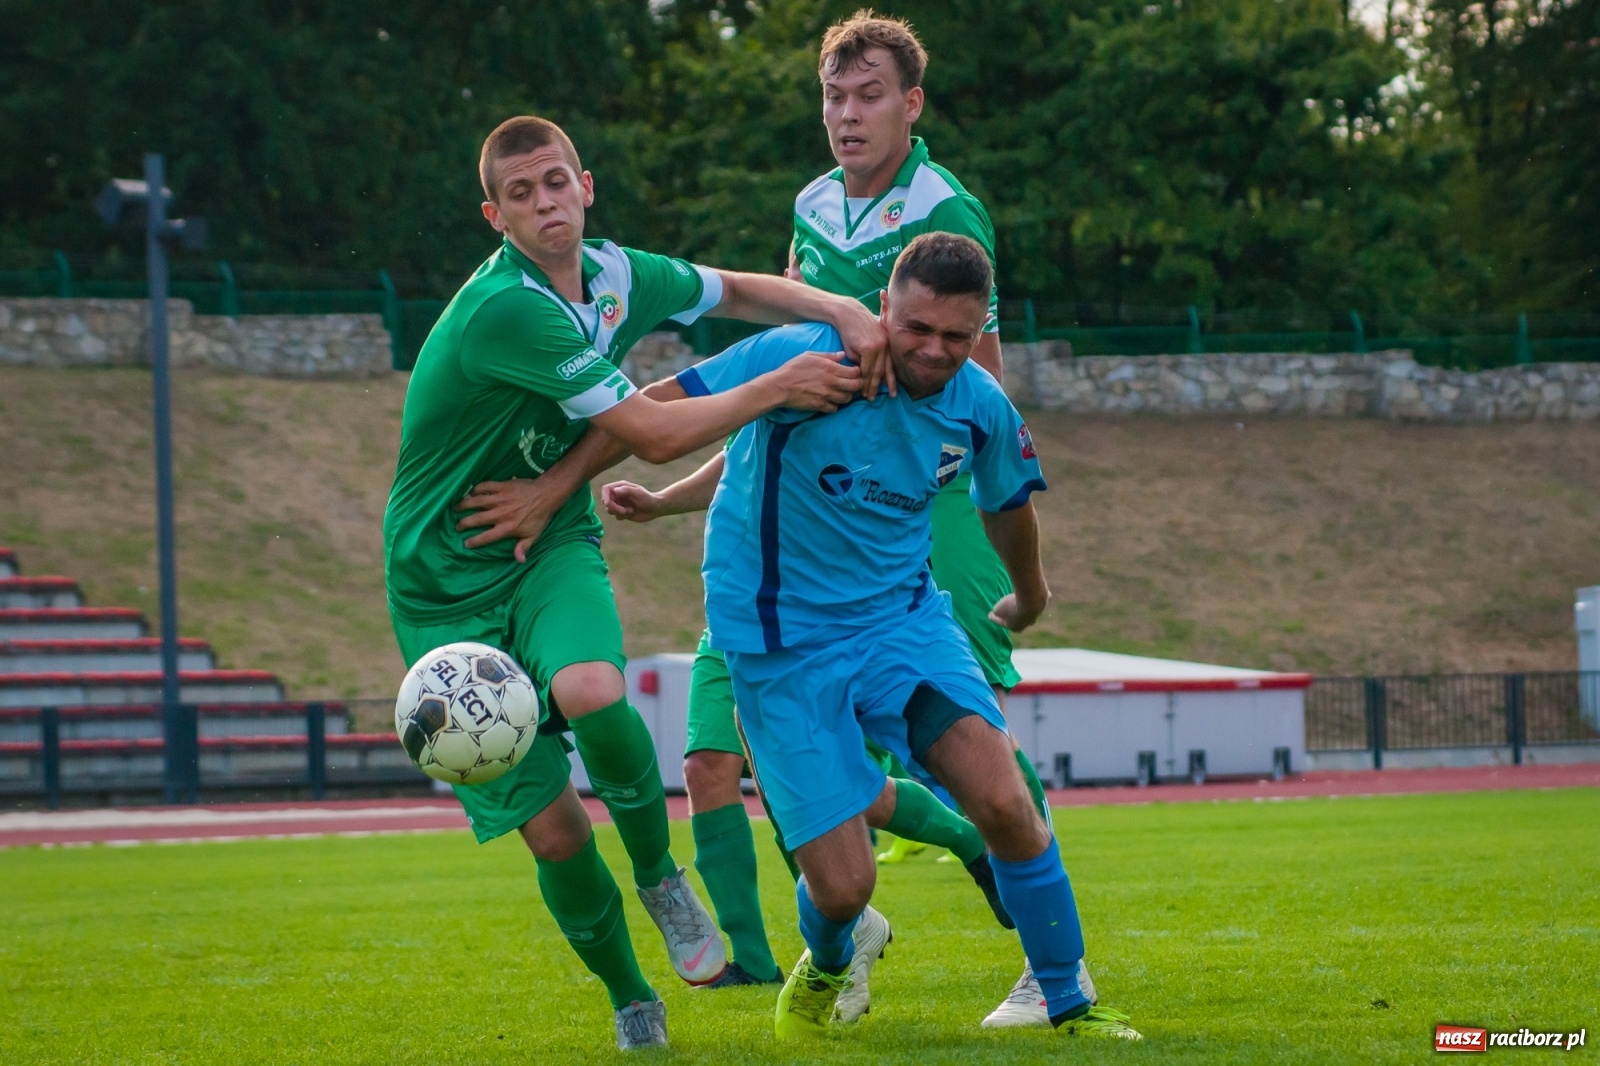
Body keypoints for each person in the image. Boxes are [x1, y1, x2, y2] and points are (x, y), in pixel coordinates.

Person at [383, 114, 885, 1052]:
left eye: (556, 183)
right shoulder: (507, 309)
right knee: (557, 833)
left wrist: (846, 312)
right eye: (521, 195)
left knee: (592, 691)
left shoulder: (616, 276)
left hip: (548, 548)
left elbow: (736, 288)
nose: (545, 206)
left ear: (585, 185)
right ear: (495, 216)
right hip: (441, 586)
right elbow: (650, 434)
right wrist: (778, 385)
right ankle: (630, 999)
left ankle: (662, 879)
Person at [661, 232, 1141, 1042]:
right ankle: (830, 956)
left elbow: (1007, 503)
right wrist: (557, 486)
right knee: (843, 888)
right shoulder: (806, 358)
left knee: (1005, 802)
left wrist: (1031, 594)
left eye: (957, 337)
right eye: (917, 329)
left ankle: (1069, 1003)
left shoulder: (978, 401)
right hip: (778, 647)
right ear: (885, 306)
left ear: (979, 328)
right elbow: (652, 408)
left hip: (901, 627)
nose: (934, 351)